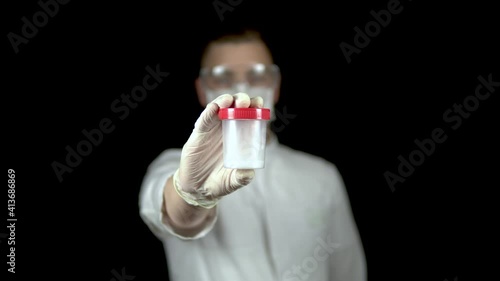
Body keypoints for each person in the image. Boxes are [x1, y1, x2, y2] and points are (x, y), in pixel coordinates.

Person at [139, 26, 367, 281]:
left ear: (276, 85)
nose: (242, 87)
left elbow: (348, 269)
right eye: (223, 77)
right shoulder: (174, 165)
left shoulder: (322, 176)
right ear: (203, 90)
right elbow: (172, 214)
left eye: (257, 75)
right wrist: (189, 193)